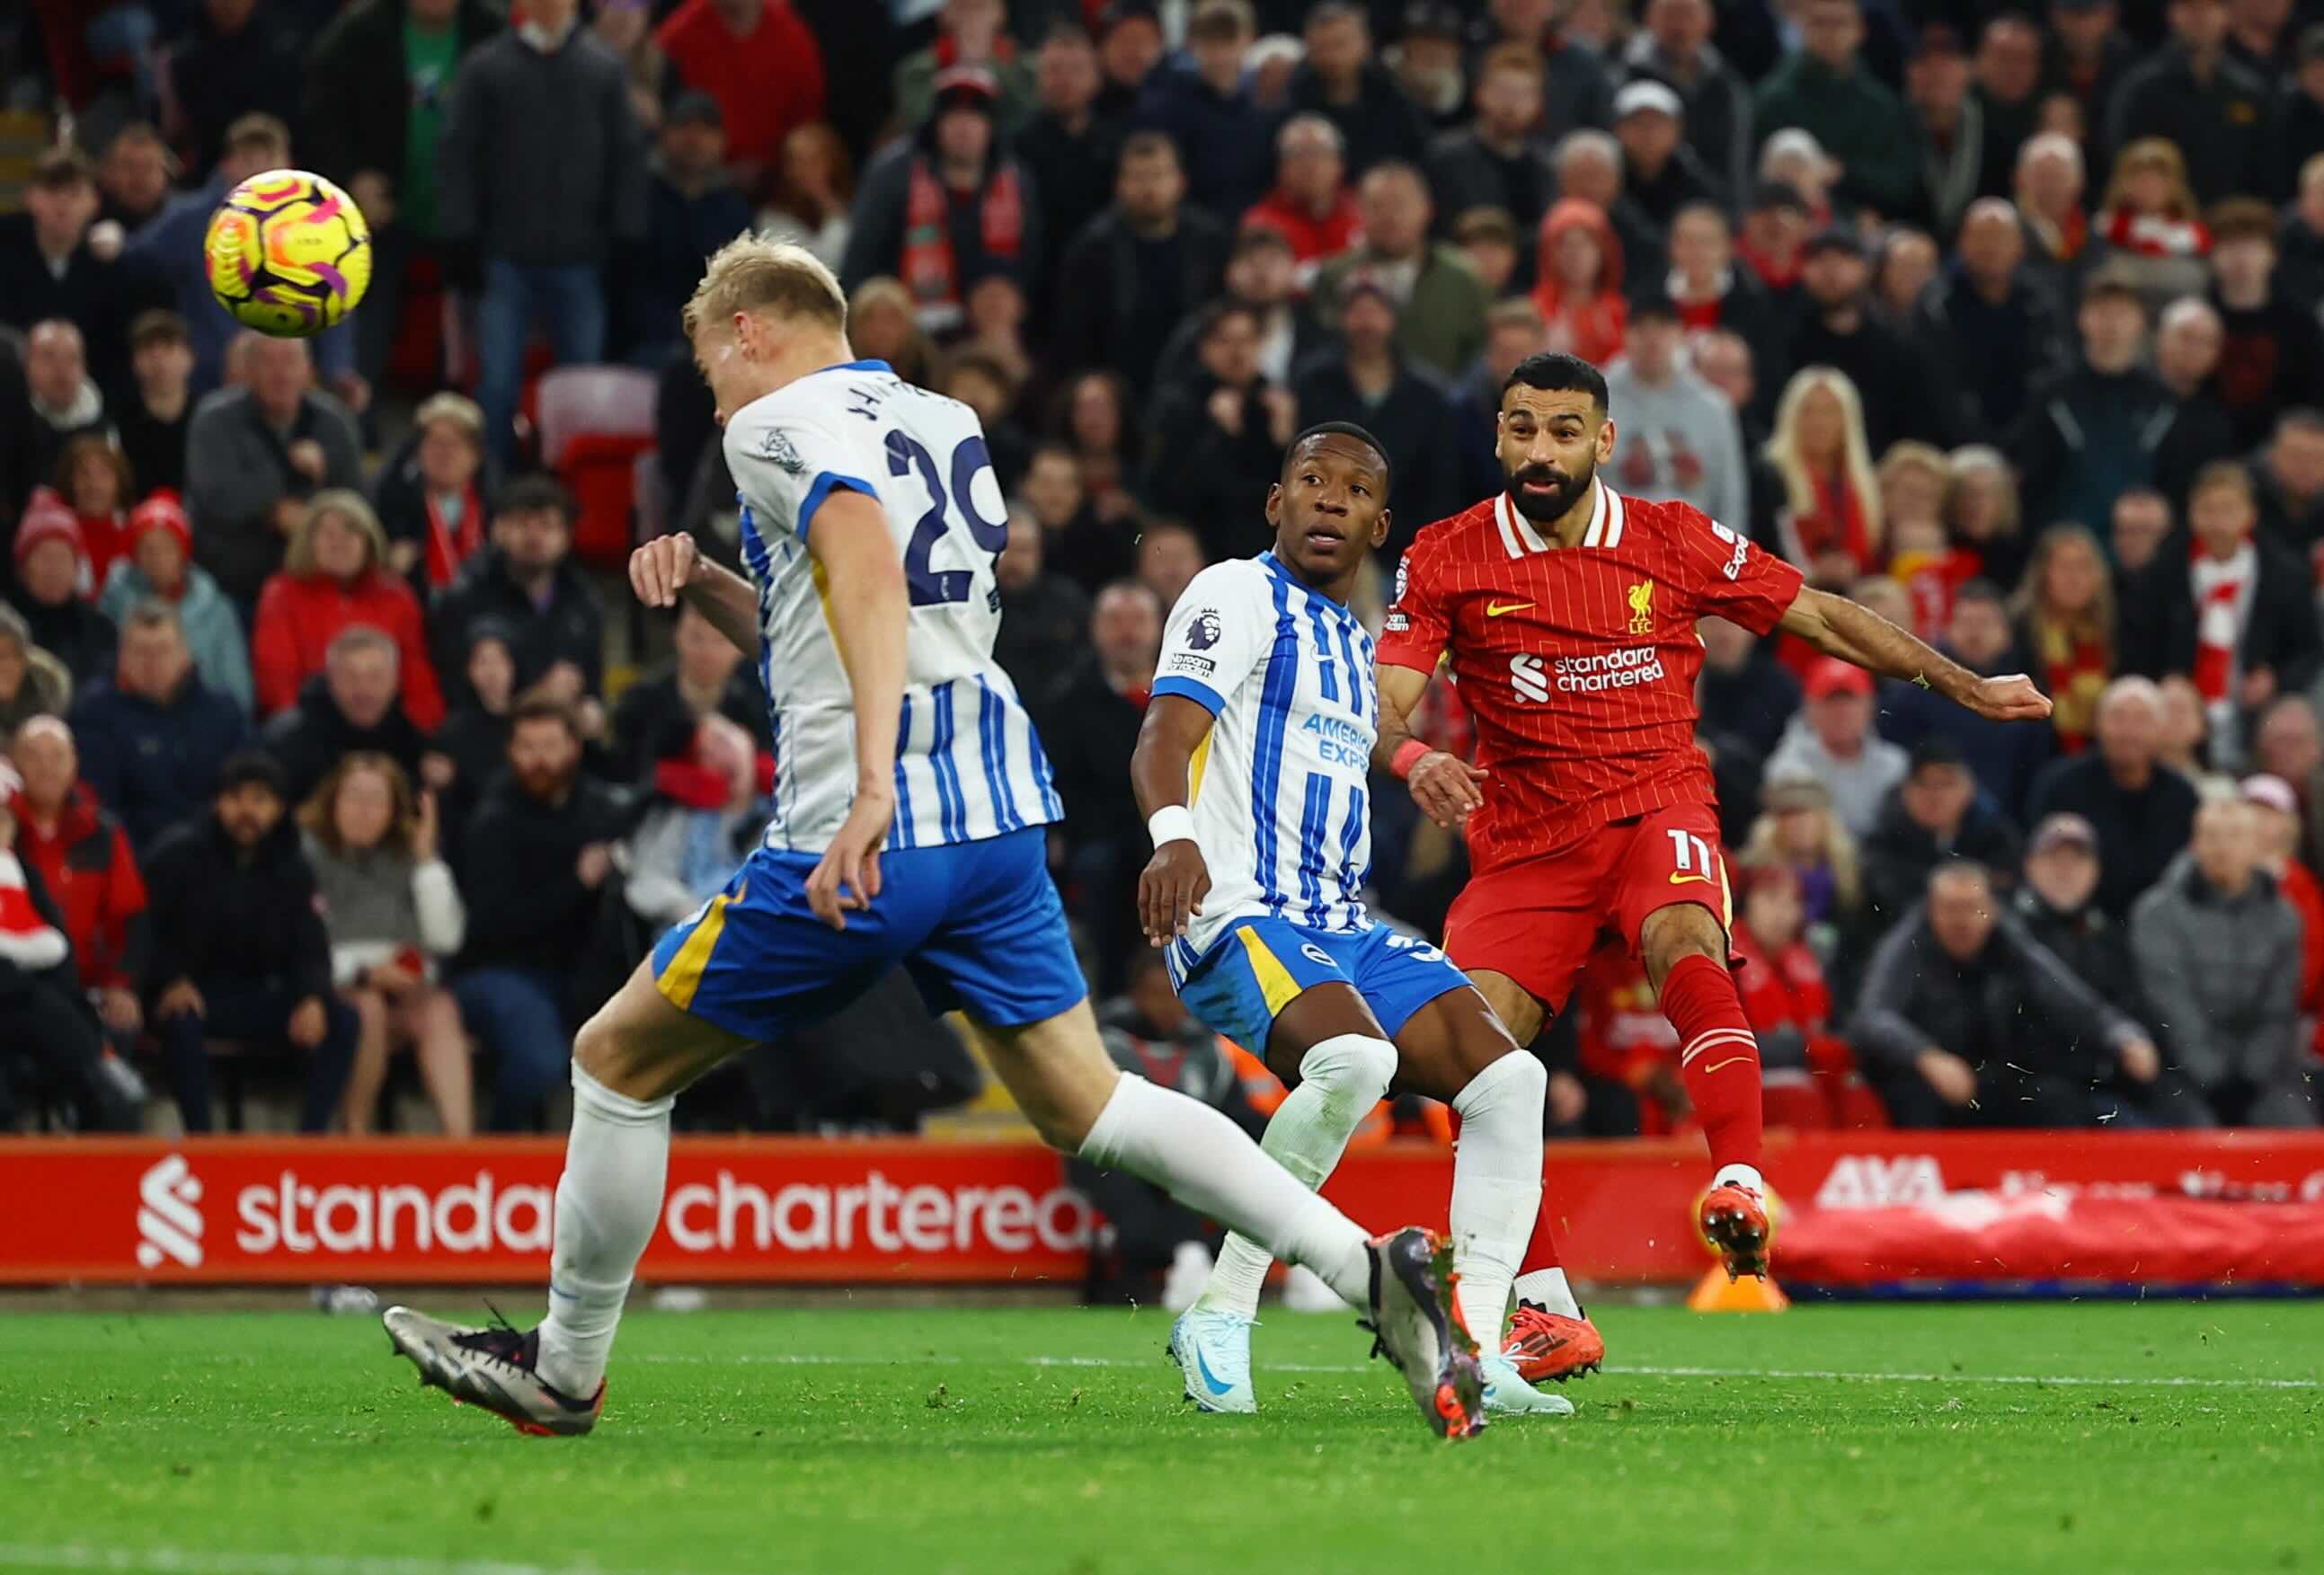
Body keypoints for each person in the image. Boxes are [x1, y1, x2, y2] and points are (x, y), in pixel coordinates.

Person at [382, 236, 1482, 1443]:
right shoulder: (945, 418)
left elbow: (853, 551)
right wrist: (704, 576)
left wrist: (861, 791)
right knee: (1088, 1101)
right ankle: (1368, 1268)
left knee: (614, 1063)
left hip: (870, 828)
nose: (713, 400)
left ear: (749, 328)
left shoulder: (772, 423)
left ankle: (565, 1369)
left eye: (709, 367)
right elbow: (862, 609)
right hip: (997, 820)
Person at [1370, 352, 2050, 1341]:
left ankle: (1739, 1179)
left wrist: (1967, 685)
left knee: (1684, 933)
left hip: (1657, 801)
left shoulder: (1671, 539)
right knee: (1475, 1057)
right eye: (1522, 428)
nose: (1540, 449)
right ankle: (1547, 1307)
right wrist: (1412, 754)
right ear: (1500, 437)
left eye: (1564, 430)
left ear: (1604, 441)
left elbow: (1819, 614)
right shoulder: (1446, 553)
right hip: (1525, 839)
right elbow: (1381, 702)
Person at [1135, 420, 1569, 1418]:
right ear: (1274, 503)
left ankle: (1476, 1343)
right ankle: (1221, 1308)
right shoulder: (1234, 594)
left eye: (1354, 489)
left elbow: (1365, 734)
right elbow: (1164, 732)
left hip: (1342, 921)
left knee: (1510, 1079)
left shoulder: (1347, 638)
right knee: (1357, 1063)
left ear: (1381, 522)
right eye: (1310, 481)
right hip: (1238, 909)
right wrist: (1172, 835)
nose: (1330, 499)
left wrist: (1413, 763)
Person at [438, 0, 648, 465]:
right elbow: (457, 156)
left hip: (581, 257)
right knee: (495, 385)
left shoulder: (603, 70)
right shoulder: (486, 68)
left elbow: (627, 157)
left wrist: (626, 234)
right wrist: (460, 235)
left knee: (581, 387)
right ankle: (491, 490)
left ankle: (567, 499)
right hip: (503, 256)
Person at [144, 749, 359, 1133]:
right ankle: (202, 1144)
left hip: (263, 993)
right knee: (181, 1020)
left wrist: (311, 996)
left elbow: (310, 944)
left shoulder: (293, 865)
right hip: (198, 993)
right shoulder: (178, 853)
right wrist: (169, 980)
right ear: (217, 803)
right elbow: (145, 931)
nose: (247, 811)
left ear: (279, 808)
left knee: (343, 1019)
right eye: (236, 797)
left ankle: (310, 1142)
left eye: (261, 799)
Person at [1852, 860, 2160, 1127]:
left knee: (2055, 1100)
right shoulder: (1907, 945)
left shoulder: (2010, 942)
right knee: (1915, 1098)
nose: (1961, 921)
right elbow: (1873, 1017)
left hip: (1988, 1075)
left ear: (1991, 910)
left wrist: (2121, 1035)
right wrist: (1926, 1057)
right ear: (1931, 911)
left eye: (1971, 908)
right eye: (1949, 909)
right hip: (1924, 1076)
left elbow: (2066, 997)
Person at [299, 0, 504, 391]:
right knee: (365, 317)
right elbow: (322, 113)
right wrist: (351, 179)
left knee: (483, 324)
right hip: (382, 209)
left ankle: (467, 435)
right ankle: (355, 423)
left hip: (468, 213)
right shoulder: (359, 31)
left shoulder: (491, 30)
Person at [123, 113, 362, 403]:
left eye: (269, 158)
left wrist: (338, 369)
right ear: (228, 165)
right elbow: (135, 257)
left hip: (286, 379)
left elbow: (334, 302)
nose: (260, 170)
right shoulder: (190, 221)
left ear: (288, 166)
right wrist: (112, 243)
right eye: (249, 159)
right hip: (208, 378)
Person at [298, 751, 471, 1137]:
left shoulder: (409, 856)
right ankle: (356, 1136)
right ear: (332, 801)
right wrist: (364, 972)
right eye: (354, 798)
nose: (364, 810)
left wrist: (427, 861)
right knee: (367, 1008)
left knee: (440, 1008)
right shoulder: (305, 856)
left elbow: (445, 938)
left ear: (395, 810)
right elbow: (295, 945)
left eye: (377, 800)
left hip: (402, 990)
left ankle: (462, 1148)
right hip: (329, 995)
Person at [2132, 798, 2316, 1125]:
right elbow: (2174, 1010)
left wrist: (2250, 1078)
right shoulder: (2156, 914)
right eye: (2211, 835)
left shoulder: (2285, 918)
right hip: (2182, 1075)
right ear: (2195, 842)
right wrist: (2214, 1078)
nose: (2222, 847)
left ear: (2256, 846)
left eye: (2234, 836)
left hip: (2263, 1077)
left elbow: (2278, 1011)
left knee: (2296, 1132)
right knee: (2198, 1137)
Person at [842, 66, 1042, 338]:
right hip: (908, 333)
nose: (963, 128)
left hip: (991, 333)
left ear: (991, 127)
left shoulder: (1018, 181)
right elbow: (861, 266)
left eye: (975, 117)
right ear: (935, 124)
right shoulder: (892, 175)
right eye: (953, 116)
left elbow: (1031, 268)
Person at [0, 763, 139, 1134]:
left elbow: (59, 947)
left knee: (81, 1043)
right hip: (22, 997)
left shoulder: (22, 873)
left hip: (28, 1002)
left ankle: (105, 1152)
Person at [1037, 580, 1162, 992]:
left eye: (1138, 621)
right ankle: (1110, 994)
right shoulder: (1067, 701)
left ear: (1159, 627)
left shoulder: (1184, 698)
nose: (1127, 633)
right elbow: (1061, 786)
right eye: (1115, 621)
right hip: (1100, 838)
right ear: (1094, 629)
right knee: (1101, 867)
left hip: (1173, 829)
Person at [184, 333, 365, 616]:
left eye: (290, 361)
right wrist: (288, 475)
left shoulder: (334, 422)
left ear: (309, 369)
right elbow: (219, 500)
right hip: (232, 591)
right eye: (268, 362)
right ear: (249, 370)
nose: (280, 373)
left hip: (320, 586)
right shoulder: (214, 420)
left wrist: (306, 524)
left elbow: (357, 506)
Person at [1051, 131, 1230, 397]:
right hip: (1116, 390)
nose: (1149, 188)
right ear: (1119, 185)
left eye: (1158, 175)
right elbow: (1075, 339)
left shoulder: (1210, 242)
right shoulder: (1092, 249)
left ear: (1180, 182)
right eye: (1138, 177)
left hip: (1196, 386)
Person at [252, 491, 446, 730]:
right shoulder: (281, 594)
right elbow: (277, 680)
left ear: (368, 541)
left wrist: (426, 735)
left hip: (386, 728)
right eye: (327, 533)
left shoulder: (397, 596)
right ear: (308, 542)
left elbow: (417, 678)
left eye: (351, 531)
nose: (339, 541)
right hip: (312, 729)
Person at [9, 716, 146, 1049]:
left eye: (56, 756)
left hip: (89, 983)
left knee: (119, 1024)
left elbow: (128, 918)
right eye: (33, 756)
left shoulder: (103, 833)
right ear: (13, 764)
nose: (46, 768)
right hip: (16, 985)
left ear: (74, 763)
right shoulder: (4, 832)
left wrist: (121, 984)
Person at [1291, 283, 1465, 546]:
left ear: (1392, 320)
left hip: (1405, 536)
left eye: (1374, 313)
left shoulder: (1428, 393)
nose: (1366, 324)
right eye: (1357, 313)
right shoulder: (1313, 382)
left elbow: (1442, 478)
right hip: (1327, 528)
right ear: (1342, 319)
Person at [2175, 461, 2321, 769]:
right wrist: (2173, 680)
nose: (2217, 521)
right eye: (2207, 509)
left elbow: (2309, 648)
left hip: (2259, 710)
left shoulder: (2285, 573)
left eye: (2228, 509)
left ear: (2250, 514)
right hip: (2186, 711)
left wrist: (2275, 679)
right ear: (2191, 513)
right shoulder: (2166, 572)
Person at [69, 601, 249, 853]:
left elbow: (242, 790)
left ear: (185, 655)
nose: (152, 663)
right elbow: (100, 806)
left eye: (163, 650)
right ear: (122, 657)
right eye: (141, 651)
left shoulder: (222, 711)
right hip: (133, 859)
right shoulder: (94, 713)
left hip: (216, 858)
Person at [2027, 676, 2203, 916]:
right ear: (2098, 723)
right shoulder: (2059, 785)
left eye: (2142, 719)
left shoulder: (2183, 796)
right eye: (2118, 717)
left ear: (2162, 729)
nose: (2128, 731)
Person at [427, 478, 607, 713]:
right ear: (498, 530)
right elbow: (453, 690)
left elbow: (592, 688)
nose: (534, 536)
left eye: (547, 525)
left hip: (561, 733)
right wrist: (537, 697)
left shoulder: (584, 601)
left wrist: (590, 710)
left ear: (566, 537)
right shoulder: (465, 598)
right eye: (522, 524)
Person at [1879, 580, 2054, 818]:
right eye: (1965, 623)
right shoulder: (1916, 691)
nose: (1975, 633)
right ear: (1948, 629)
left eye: (1985, 623)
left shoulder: (2028, 695)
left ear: (2007, 633)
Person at [1310, 162, 1490, 382]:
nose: (1389, 217)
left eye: (1399, 205)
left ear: (1427, 209)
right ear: (1358, 212)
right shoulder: (1333, 276)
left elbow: (1481, 354)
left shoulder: (1463, 276)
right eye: (1377, 206)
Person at [1752, 0, 1919, 218]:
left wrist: (1845, 172)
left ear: (1860, 31)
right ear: (1802, 28)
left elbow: (1901, 183)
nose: (1830, 33)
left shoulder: (1881, 105)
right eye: (1819, 23)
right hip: (1789, 219)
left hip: (1865, 220)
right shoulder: (1772, 99)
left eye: (1840, 23)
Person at [2106, 0, 2274, 208]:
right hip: (2162, 223)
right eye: (2190, 7)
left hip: (2232, 224)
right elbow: (2127, 162)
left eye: (2210, 8)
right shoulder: (2142, 91)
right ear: (2172, 14)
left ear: (2227, 15)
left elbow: (2266, 170)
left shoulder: (2249, 92)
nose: (2199, 17)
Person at [627, 93, 757, 362]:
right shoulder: (638, 197)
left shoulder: (734, 207)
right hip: (643, 341)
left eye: (706, 130)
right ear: (664, 135)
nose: (694, 140)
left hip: (718, 341)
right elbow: (629, 281)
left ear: (722, 141)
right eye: (684, 126)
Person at [95, 494, 252, 718]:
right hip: (129, 717)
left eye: (166, 547)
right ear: (135, 556)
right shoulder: (114, 602)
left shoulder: (217, 610)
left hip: (201, 719)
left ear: (183, 553)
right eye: (147, 548)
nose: (157, 558)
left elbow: (238, 690)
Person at [1603, 293, 1747, 535]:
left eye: (1662, 327)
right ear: (1624, 335)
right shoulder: (1593, 402)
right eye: (1640, 328)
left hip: (1693, 553)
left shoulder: (1713, 408)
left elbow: (1731, 497)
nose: (1652, 339)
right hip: (1616, 552)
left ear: (1680, 334)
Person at [0, 147, 137, 397]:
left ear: (93, 202)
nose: (62, 202)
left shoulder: (109, 269)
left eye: (74, 193)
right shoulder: (5, 250)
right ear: (30, 197)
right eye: (52, 191)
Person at [652, 0, 826, 194]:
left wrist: (775, 171)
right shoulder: (677, 36)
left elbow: (807, 124)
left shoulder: (793, 35)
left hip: (779, 186)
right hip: (694, 183)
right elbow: (662, 122)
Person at [1860, 736, 2025, 929]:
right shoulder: (1883, 841)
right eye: (1923, 783)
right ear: (1905, 791)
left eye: (1946, 783)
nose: (1934, 795)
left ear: (1969, 788)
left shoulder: (1997, 838)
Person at [1133, 0, 1273, 225]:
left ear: (1249, 40)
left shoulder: (1262, 109)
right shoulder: (1168, 109)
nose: (1220, 55)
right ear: (1192, 45)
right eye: (1210, 43)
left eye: (1228, 41)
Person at [262, 625, 434, 807]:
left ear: (395, 681)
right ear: (330, 681)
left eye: (375, 677)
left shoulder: (413, 745)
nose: (363, 689)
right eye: (350, 677)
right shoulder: (289, 745)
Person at [1424, 44, 1558, 254]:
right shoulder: (1447, 158)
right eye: (1503, 91)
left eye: (1524, 94)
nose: (1512, 104)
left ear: (1538, 104)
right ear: (1480, 93)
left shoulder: (1546, 167)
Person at [1622, 0, 1754, 200]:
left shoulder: (1727, 87)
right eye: (1670, 14)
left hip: (1707, 212)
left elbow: (1735, 166)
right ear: (1649, 19)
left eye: (1687, 14)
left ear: (1709, 21)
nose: (1678, 26)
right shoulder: (1623, 76)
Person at [1764, 659, 1910, 837]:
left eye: (1850, 700)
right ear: (1809, 709)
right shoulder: (1787, 769)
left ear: (1870, 706)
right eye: (1830, 701)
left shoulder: (1895, 765)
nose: (1842, 711)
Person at [1283, 2, 1430, 178]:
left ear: (1365, 44)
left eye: (1340, 45)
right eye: (1322, 47)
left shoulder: (1393, 97)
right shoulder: (1292, 103)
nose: (1333, 57)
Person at [370, 392, 492, 597]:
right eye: (435, 442)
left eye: (454, 444)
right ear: (418, 451)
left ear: (476, 455)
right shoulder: (390, 499)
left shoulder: (493, 502)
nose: (444, 453)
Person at [8, 494, 115, 689]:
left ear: (76, 568)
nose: (54, 568)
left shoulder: (101, 629)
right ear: (23, 568)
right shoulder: (6, 628)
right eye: (45, 557)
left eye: (63, 558)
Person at [990, 508, 1090, 706]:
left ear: (1040, 552)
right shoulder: (975, 603)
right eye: (1005, 549)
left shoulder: (1068, 603)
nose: (1014, 560)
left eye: (1024, 550)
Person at [1243, 113, 1362, 274]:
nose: (1310, 165)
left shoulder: (1362, 214)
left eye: (1320, 153)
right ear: (1281, 168)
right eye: (1299, 155)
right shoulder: (1262, 225)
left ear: (1340, 165)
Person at [20, 321, 114, 488]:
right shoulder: (11, 422)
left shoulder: (105, 432)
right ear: (27, 365)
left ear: (84, 367)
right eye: (48, 356)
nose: (61, 368)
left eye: (72, 358)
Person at [113, 310, 192, 500]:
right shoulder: (118, 421)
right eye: (148, 349)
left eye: (168, 348)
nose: (158, 360)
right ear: (134, 362)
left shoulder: (208, 419)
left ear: (189, 358)